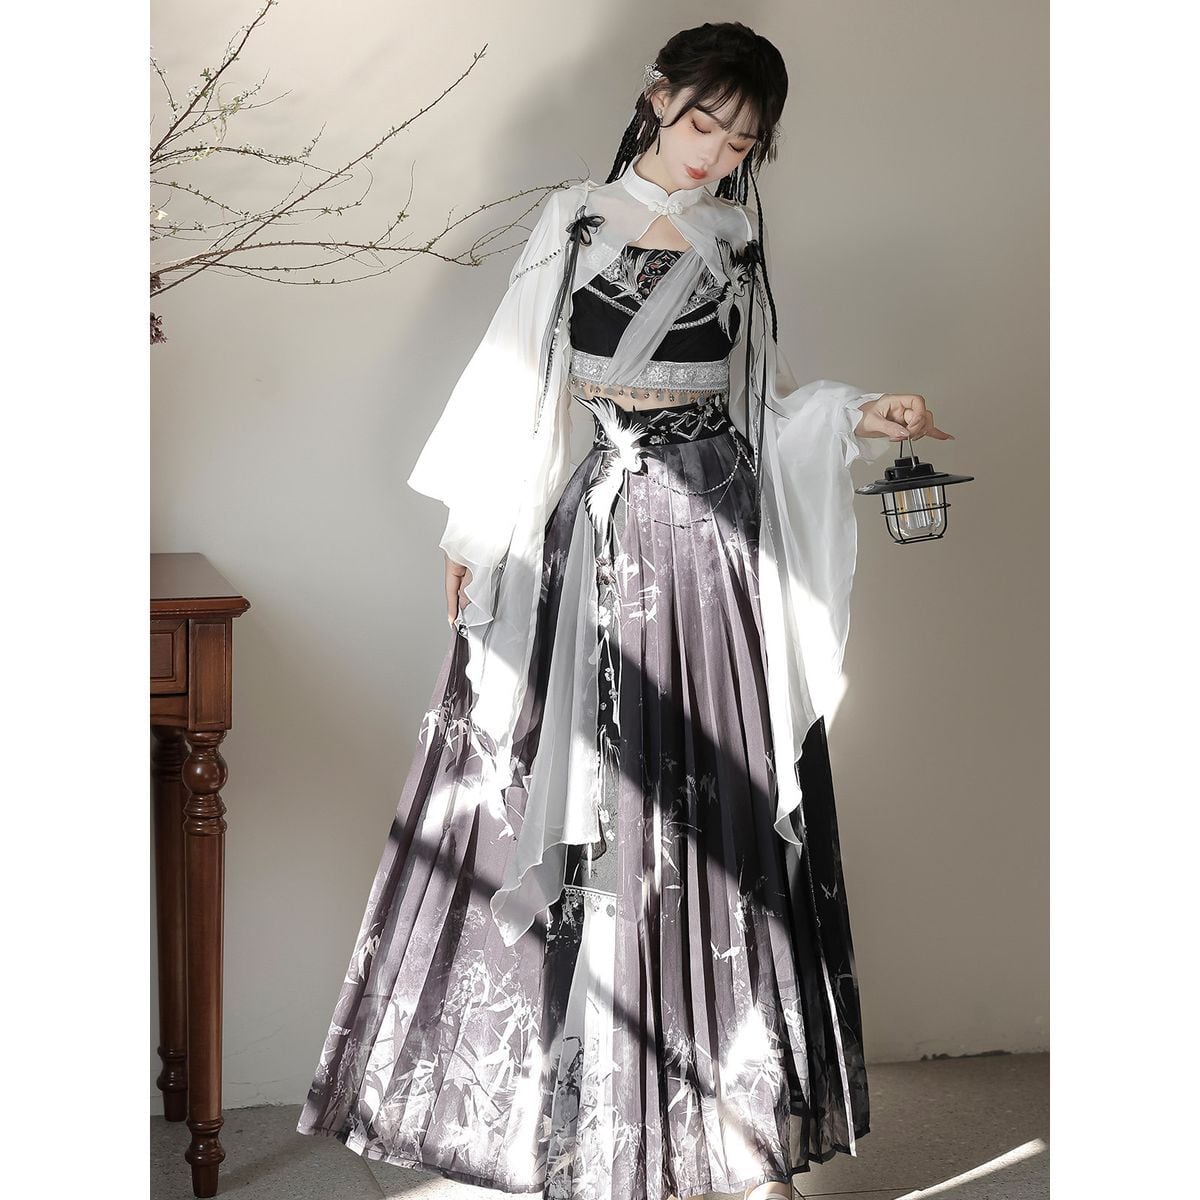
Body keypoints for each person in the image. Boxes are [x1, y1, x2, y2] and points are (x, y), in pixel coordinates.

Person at [296, 20, 952, 1200]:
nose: (715, 155)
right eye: (704, 124)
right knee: (588, 803)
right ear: (657, 100)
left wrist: (864, 414)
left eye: (742, 142)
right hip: (598, 534)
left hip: (714, 542)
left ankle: (735, 1134)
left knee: (715, 812)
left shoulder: (736, 240)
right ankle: (585, 1121)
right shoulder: (575, 222)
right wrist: (472, 532)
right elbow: (513, 375)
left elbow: (761, 404)